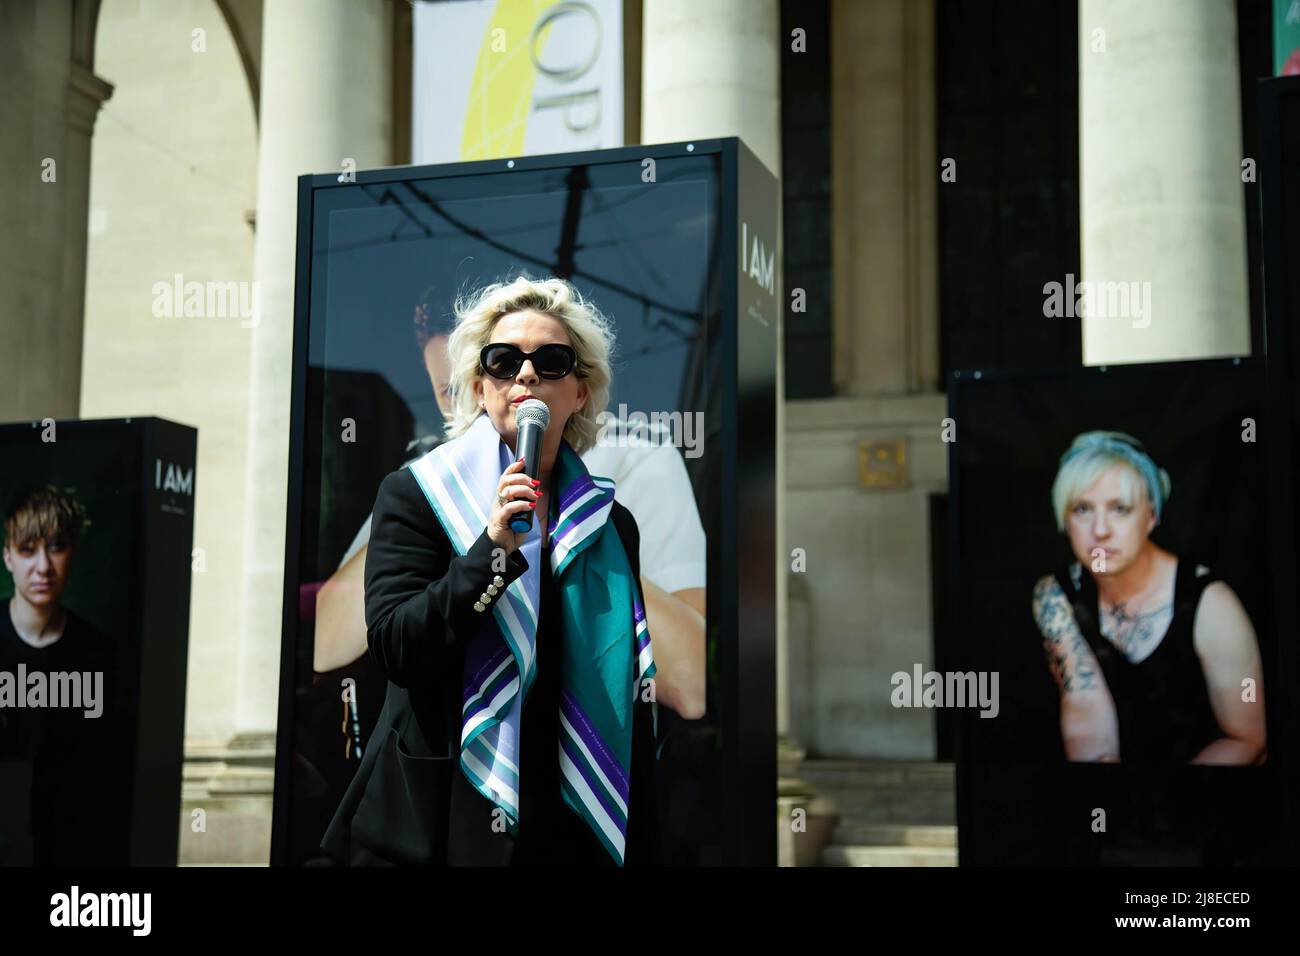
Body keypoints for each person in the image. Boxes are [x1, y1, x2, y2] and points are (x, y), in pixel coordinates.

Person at [322, 276, 662, 866]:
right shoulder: (417, 495)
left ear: (580, 391)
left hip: (564, 817)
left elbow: (624, 681)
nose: (526, 375)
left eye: (551, 361)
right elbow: (398, 646)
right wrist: (492, 551)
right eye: (504, 361)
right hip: (440, 812)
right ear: (480, 387)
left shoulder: (611, 524)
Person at [1031, 431, 1266, 765]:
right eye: (1082, 509)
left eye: (1120, 509)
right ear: (1065, 521)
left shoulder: (1210, 603)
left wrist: (1166, 805)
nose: (1100, 530)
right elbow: (1084, 704)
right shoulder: (1056, 596)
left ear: (1151, 516)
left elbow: (1249, 738)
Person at [0, 485, 127, 865]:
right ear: (7, 557)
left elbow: (109, 773)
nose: (42, 566)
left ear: (72, 552)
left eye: (55, 547)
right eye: (27, 550)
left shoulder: (100, 653)